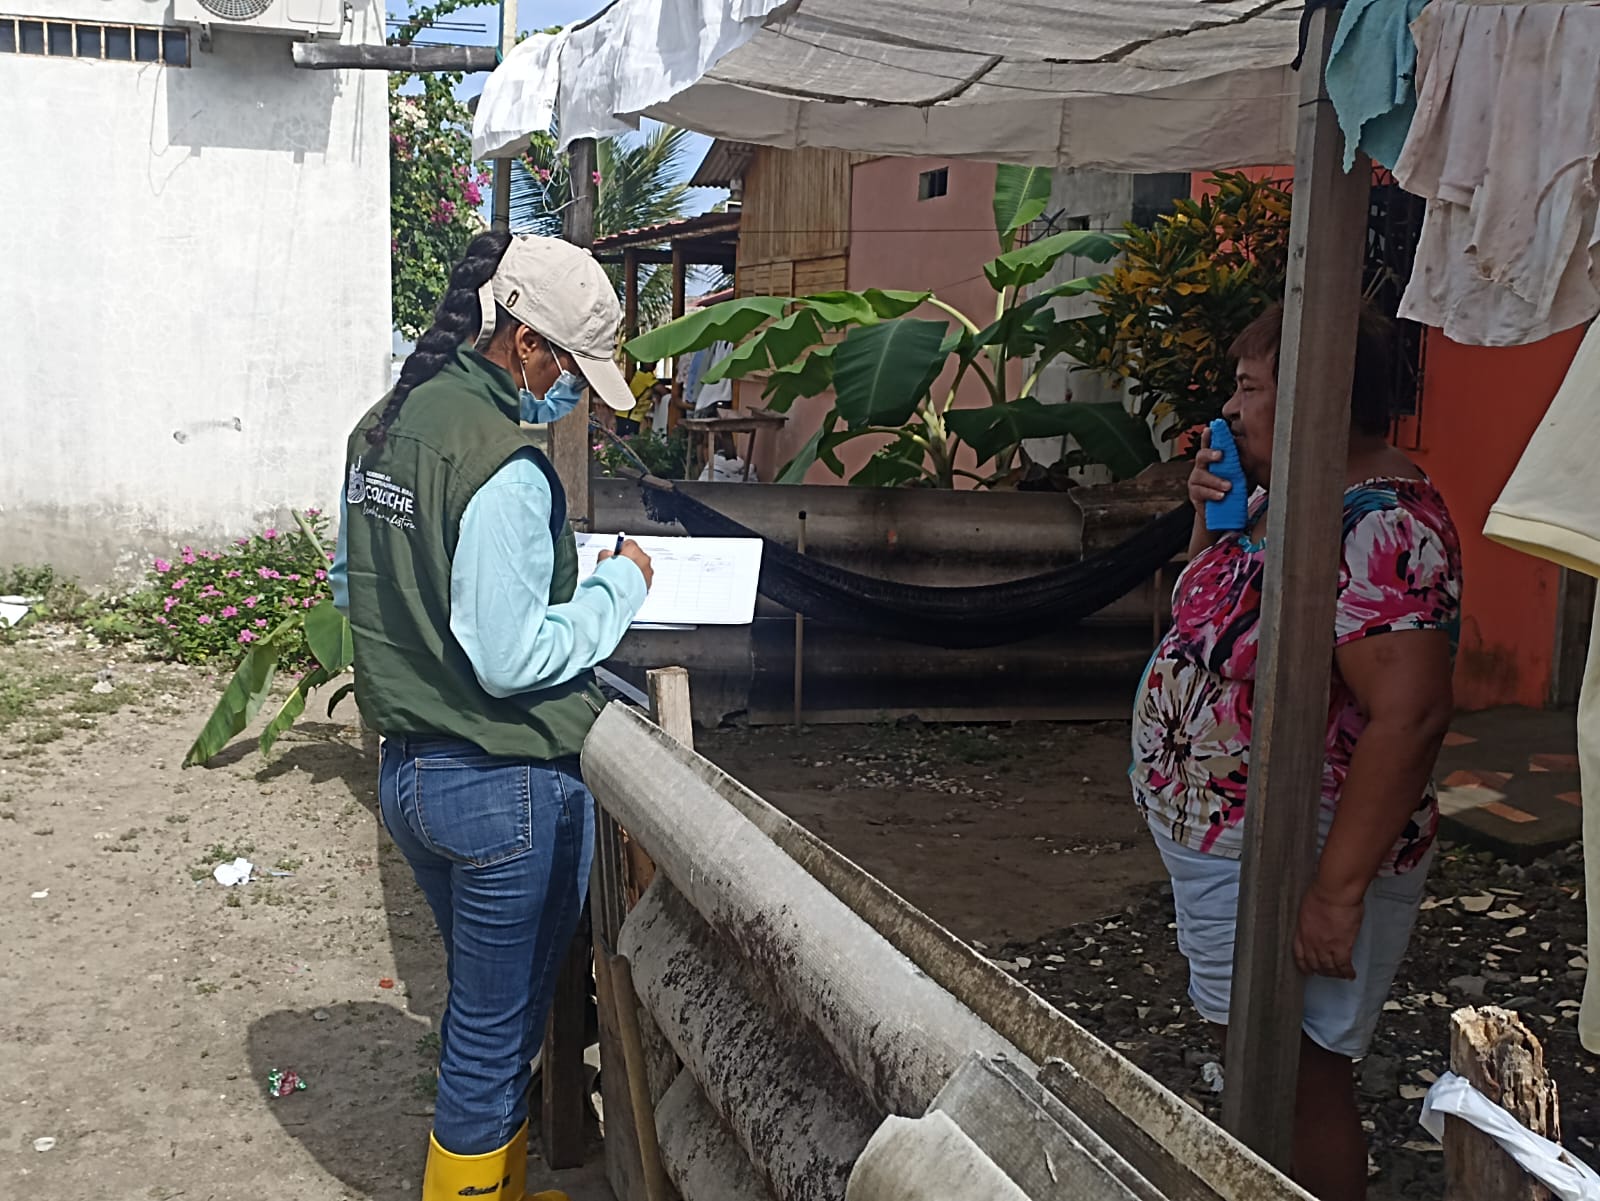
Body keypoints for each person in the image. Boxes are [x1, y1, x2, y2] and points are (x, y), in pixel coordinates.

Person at [330, 231, 652, 1201]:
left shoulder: (383, 428)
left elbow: (355, 587)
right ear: (525, 342)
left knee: (483, 1011)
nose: (570, 392)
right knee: (495, 1032)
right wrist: (618, 591)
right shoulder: (504, 465)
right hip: (503, 783)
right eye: (568, 369)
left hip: (410, 773)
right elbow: (510, 658)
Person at [1131, 305, 1462, 1201]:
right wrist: (1211, 519)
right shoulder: (1291, 493)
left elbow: (1410, 713)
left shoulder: (1384, 525)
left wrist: (1335, 893)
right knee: (1255, 1052)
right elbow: (1209, 615)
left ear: (1318, 393)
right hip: (1235, 837)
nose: (1229, 409)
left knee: (1302, 1073)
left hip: (1300, 845)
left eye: (1249, 388)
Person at [620, 360, 661, 436]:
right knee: (628, 439)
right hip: (630, 416)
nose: (654, 364)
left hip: (627, 415)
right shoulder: (646, 375)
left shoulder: (639, 373)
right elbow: (663, 391)